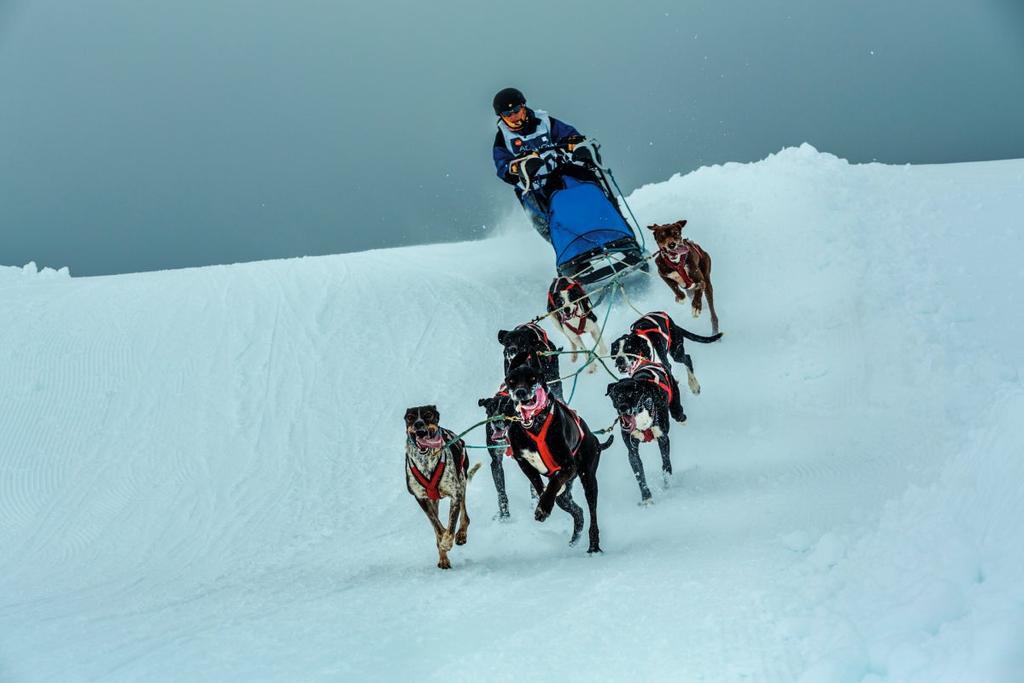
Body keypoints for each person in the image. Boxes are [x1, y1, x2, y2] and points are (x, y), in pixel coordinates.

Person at [491, 87, 590, 241]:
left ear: (523, 107)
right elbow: (502, 166)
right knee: (548, 221)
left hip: (558, 176)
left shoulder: (544, 121)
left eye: (516, 110)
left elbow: (569, 135)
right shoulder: (502, 138)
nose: (514, 116)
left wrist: (574, 145)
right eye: (507, 114)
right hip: (533, 189)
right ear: (502, 117)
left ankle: (614, 233)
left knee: (586, 187)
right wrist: (517, 168)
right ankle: (569, 254)